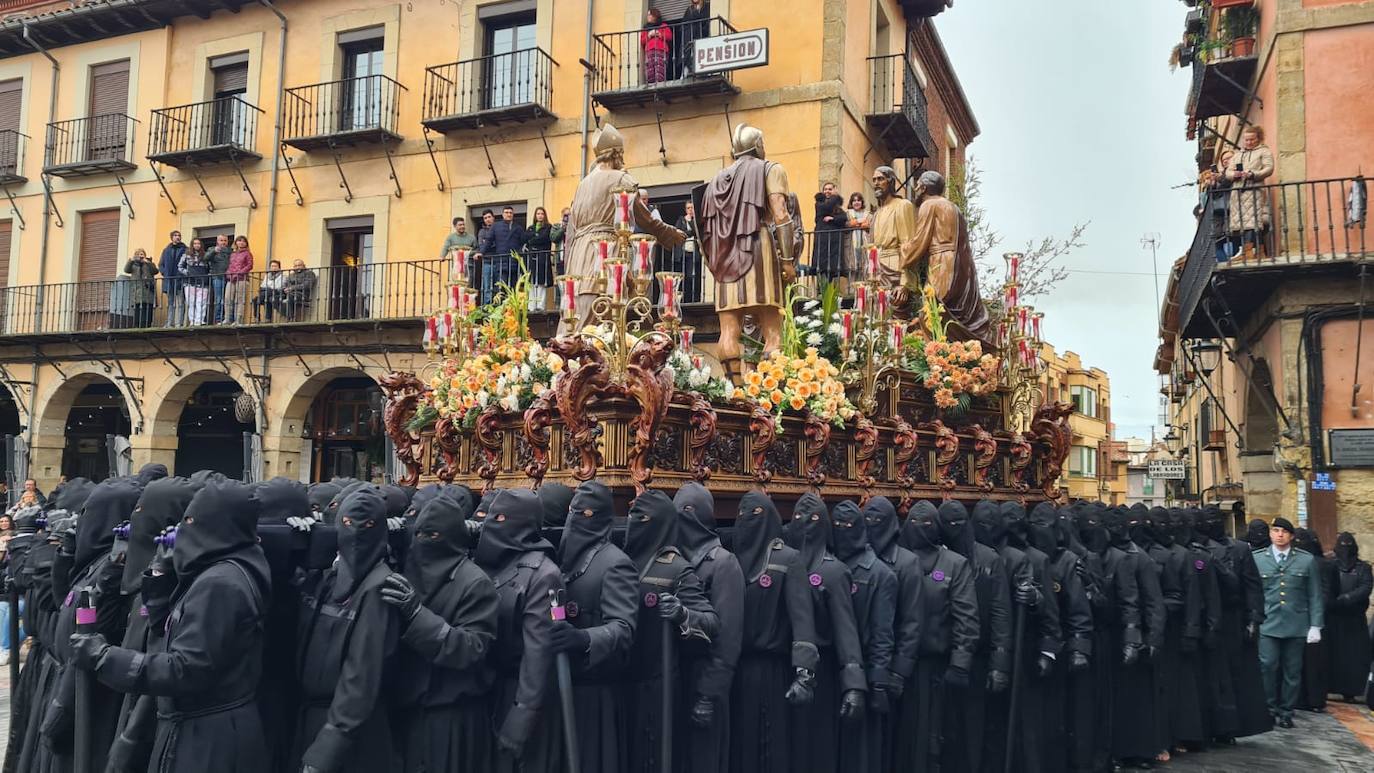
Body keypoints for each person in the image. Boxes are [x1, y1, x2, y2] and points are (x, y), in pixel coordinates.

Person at [69, 480, 273, 773]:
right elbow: (164, 637)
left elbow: (186, 668)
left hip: (209, 740)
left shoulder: (221, 584)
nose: (186, 529)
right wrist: (159, 580)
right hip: (200, 731)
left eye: (191, 521)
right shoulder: (221, 572)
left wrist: (105, 657)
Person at [382, 491, 499, 773]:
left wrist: (418, 616)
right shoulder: (406, 571)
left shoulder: (474, 583)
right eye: (420, 534)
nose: (424, 542)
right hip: (407, 714)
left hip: (451, 718)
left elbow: (473, 648)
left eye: (433, 536)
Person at [292, 485, 401, 773]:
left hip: (351, 734)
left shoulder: (379, 587)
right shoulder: (327, 577)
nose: (355, 534)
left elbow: (361, 677)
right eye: (348, 524)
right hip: (308, 719)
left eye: (365, 526)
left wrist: (327, 750)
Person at [37, 477, 143, 773]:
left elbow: (91, 635)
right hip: (69, 688)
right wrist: (65, 552)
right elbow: (62, 603)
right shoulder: (96, 562)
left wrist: (59, 713)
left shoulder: (115, 570)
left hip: (90, 705)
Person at [619, 488, 719, 772]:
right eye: (632, 516)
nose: (635, 523)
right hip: (620, 679)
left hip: (657, 685)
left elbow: (711, 622)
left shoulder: (677, 569)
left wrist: (682, 613)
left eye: (643, 518)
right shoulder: (620, 561)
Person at [728, 491, 822, 773]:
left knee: (771, 745)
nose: (747, 521)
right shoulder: (732, 558)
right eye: (742, 515)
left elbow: (802, 617)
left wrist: (804, 673)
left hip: (772, 670)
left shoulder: (788, 559)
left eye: (755, 515)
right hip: (736, 669)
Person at [473, 488, 564, 773]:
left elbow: (538, 654)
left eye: (501, 518)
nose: (492, 524)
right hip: (488, 689)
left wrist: (522, 716)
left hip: (520, 694)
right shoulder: (488, 564)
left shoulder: (544, 574)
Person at [549, 481, 637, 773]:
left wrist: (583, 638)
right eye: (573, 512)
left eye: (584, 513)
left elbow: (623, 628)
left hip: (596, 695)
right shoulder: (562, 559)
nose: (576, 519)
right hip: (560, 689)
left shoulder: (615, 564)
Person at [562, 124, 682, 335]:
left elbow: (571, 231)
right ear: (616, 154)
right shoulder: (621, 179)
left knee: (574, 320)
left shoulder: (582, 184)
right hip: (605, 252)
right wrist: (668, 233)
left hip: (578, 260)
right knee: (604, 322)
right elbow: (645, 218)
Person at [699, 123, 795, 381]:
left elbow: (705, 230)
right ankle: (770, 390)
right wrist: (788, 261)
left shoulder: (716, 180)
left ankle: (736, 390)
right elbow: (782, 216)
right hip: (758, 248)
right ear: (758, 146)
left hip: (723, 258)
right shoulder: (771, 169)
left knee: (728, 331)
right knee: (772, 331)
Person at [781, 492, 866, 773]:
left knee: (816, 747)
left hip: (822, 673)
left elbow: (846, 630)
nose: (804, 523)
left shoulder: (834, 572)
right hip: (784, 667)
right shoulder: (781, 564)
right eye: (798, 518)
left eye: (814, 518)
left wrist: (853, 685)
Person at [895, 500, 979, 773]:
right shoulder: (896, 559)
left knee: (937, 736)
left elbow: (966, 616)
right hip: (903, 667)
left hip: (938, 667)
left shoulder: (955, 564)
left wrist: (959, 662)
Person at [675, 482, 744, 773]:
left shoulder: (723, 563)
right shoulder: (677, 558)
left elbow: (728, 636)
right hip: (678, 675)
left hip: (706, 676)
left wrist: (709, 693)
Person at [939, 500, 1012, 773]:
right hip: (942, 655)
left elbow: (1000, 612)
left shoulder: (988, 559)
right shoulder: (939, 556)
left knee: (975, 728)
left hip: (978, 659)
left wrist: (999, 663)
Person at [830, 500, 896, 773]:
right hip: (831, 671)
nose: (842, 531)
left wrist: (878, 684)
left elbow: (883, 634)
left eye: (848, 527)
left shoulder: (881, 574)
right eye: (837, 527)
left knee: (861, 754)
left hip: (865, 675)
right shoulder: (829, 566)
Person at [904, 169, 996, 346]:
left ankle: (936, 355)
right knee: (949, 314)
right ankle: (954, 356)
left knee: (932, 310)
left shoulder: (929, 205)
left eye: (917, 185)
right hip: (962, 267)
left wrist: (902, 251)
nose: (915, 189)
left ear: (923, 187)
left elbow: (920, 240)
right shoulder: (954, 207)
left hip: (942, 263)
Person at [1253, 517, 1324, 728]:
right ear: (1270, 534)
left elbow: (1315, 595)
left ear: (1291, 536)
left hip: (1296, 623)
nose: (1280, 535)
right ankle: (1269, 707)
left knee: (1292, 670)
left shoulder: (1306, 560)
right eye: (1275, 530)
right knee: (1267, 665)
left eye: (1284, 531)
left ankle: (1286, 711)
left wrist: (1316, 625)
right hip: (1269, 622)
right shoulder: (1258, 559)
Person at [1294, 528, 1336, 713]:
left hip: (1315, 620)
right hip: (1302, 619)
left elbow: (1327, 592)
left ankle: (1313, 698)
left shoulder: (1323, 565)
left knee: (1313, 663)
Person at [1328, 533, 1372, 702]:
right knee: (1334, 654)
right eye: (1342, 544)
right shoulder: (1331, 565)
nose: (1345, 548)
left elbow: (1365, 587)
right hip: (1334, 618)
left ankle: (1351, 690)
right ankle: (1332, 686)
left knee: (1354, 657)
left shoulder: (1363, 568)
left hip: (1355, 618)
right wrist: (1333, 601)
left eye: (1348, 544)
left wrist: (1346, 599)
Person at [1227, 125, 1275, 261]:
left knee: (1253, 222)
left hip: (1254, 190)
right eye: (1246, 140)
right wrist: (1234, 174)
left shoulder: (1264, 152)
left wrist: (1253, 174)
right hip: (1238, 193)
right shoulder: (1237, 155)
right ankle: (1259, 252)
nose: (1248, 142)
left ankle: (1247, 250)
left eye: (1251, 139)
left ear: (1258, 139)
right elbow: (1228, 172)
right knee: (1243, 223)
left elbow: (1269, 168)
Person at [479, 206, 528, 305]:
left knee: (513, 286)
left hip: (514, 262)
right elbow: (488, 241)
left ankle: (512, 306)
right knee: (502, 286)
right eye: (506, 212)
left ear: (513, 214)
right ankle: (500, 306)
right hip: (501, 262)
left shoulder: (518, 227)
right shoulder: (496, 226)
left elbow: (523, 241)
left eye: (510, 212)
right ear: (502, 214)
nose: (508, 214)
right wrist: (481, 252)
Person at [812, 185, 849, 282]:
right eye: (825, 189)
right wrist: (835, 196)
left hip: (834, 241)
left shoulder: (837, 208)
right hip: (823, 239)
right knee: (822, 267)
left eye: (830, 189)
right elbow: (827, 207)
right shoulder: (819, 203)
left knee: (833, 267)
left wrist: (833, 219)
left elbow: (843, 218)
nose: (827, 191)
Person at [525, 206, 554, 312]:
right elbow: (525, 237)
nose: (540, 216)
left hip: (543, 257)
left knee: (542, 281)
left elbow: (544, 238)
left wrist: (532, 239)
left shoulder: (548, 227)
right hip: (532, 257)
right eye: (538, 214)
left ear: (544, 215)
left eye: (542, 214)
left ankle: (540, 305)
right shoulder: (531, 227)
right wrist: (534, 236)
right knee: (532, 281)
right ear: (535, 216)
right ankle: (531, 305)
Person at [673, 200, 703, 303]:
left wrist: (690, 222)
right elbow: (676, 232)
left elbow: (696, 231)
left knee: (692, 277)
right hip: (682, 253)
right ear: (685, 209)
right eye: (688, 208)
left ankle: (693, 299)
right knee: (682, 277)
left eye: (692, 208)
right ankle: (682, 299)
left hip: (693, 253)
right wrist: (688, 233)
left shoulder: (696, 221)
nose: (690, 210)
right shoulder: (681, 220)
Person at [179, 238, 212, 326]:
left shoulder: (205, 256)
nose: (197, 245)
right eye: (195, 243)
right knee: (191, 302)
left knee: (202, 302)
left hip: (203, 283)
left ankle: (200, 320)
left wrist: (207, 276)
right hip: (190, 282)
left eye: (198, 243)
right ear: (192, 245)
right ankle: (192, 321)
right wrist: (188, 273)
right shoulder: (186, 255)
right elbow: (180, 266)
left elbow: (211, 268)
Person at [223, 235, 254, 325]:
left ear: (246, 244)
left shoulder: (248, 254)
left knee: (239, 299)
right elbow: (230, 265)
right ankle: (227, 319)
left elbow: (249, 265)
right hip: (231, 279)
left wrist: (239, 273)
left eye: (243, 241)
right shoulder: (233, 254)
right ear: (236, 242)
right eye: (239, 241)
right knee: (228, 298)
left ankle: (238, 320)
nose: (241, 242)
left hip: (242, 279)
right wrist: (228, 273)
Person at [159, 230, 186, 327]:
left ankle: (179, 323)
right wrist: (164, 273)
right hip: (169, 279)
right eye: (175, 235)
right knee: (170, 303)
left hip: (180, 279)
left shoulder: (185, 249)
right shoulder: (166, 250)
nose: (177, 237)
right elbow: (161, 264)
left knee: (180, 302)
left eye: (179, 235)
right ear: (172, 237)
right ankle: (170, 322)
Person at [677, 0, 710, 77]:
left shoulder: (707, 7)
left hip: (703, 40)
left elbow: (707, 22)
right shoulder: (689, 9)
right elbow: (683, 27)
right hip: (690, 41)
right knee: (689, 62)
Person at [641, 8, 672, 85]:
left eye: (649, 15)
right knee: (650, 73)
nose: (648, 17)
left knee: (660, 72)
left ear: (655, 16)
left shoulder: (663, 26)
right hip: (649, 51)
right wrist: (649, 35)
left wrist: (659, 34)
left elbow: (669, 36)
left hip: (661, 50)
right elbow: (642, 41)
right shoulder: (646, 28)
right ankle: (651, 87)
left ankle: (660, 86)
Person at [207, 233, 232, 323]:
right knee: (219, 299)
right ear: (217, 241)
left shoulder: (230, 250)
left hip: (229, 278)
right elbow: (205, 258)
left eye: (225, 240)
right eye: (221, 240)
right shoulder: (211, 249)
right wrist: (214, 251)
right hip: (217, 276)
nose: (223, 242)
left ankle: (228, 318)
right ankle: (218, 319)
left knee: (228, 298)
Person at [846, 192, 871, 280]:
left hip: (864, 244)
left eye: (858, 200)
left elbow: (869, 225)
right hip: (852, 245)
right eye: (854, 201)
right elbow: (847, 224)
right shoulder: (848, 214)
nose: (856, 203)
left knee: (865, 267)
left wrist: (855, 223)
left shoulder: (868, 214)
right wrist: (860, 223)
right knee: (852, 268)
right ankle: (852, 291)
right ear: (851, 203)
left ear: (862, 202)